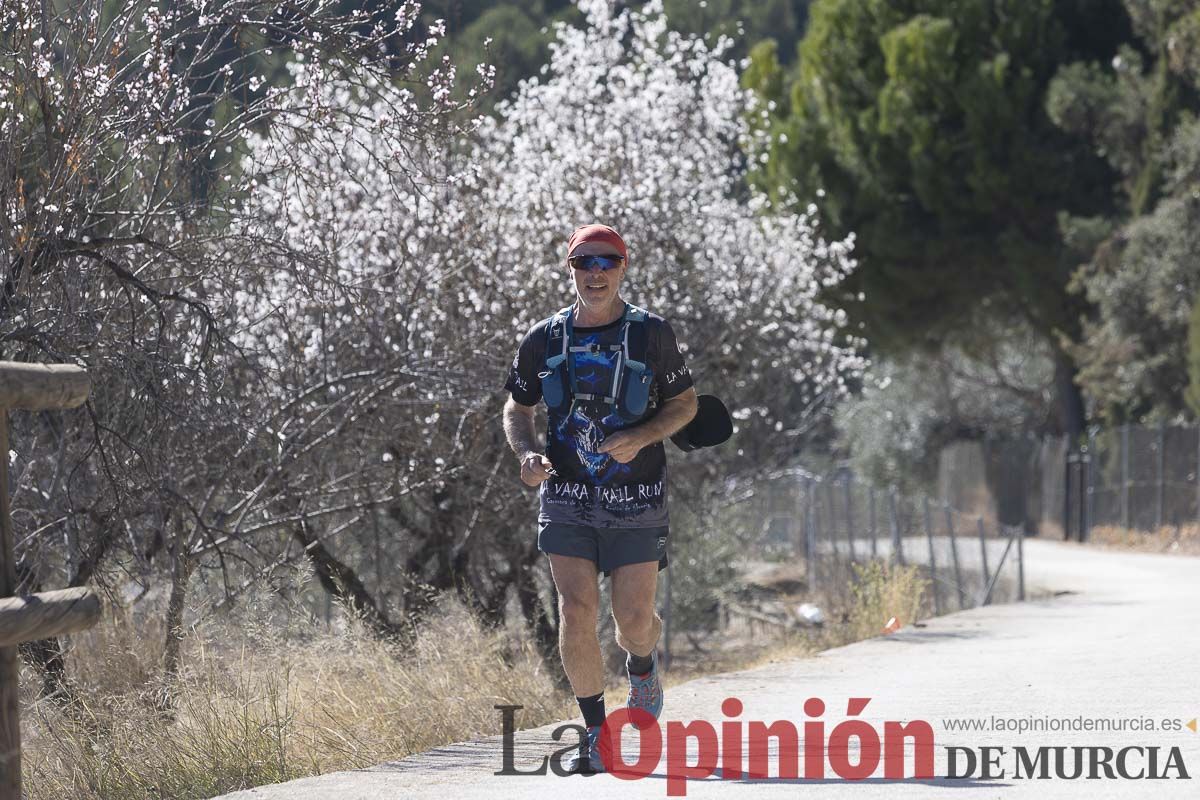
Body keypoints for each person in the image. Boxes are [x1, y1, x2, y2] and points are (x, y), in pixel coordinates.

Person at [502, 223, 698, 774]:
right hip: (566, 496)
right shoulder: (543, 339)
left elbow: (686, 404)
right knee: (576, 609)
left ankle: (642, 668)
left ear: (623, 268)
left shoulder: (651, 335)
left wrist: (639, 436)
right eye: (584, 262)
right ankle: (596, 733)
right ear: (570, 269)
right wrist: (527, 455)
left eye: (607, 262)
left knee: (633, 619)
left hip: (636, 499)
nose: (596, 272)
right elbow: (517, 409)